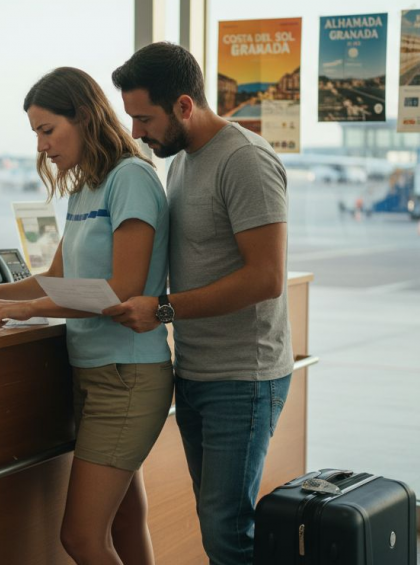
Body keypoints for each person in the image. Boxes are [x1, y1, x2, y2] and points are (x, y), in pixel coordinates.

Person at [0, 67, 172, 565]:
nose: (42, 147)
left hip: (126, 376)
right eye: (36, 135)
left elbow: (121, 291)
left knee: (81, 538)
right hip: (93, 372)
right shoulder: (87, 185)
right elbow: (58, 278)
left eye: (48, 130)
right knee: (125, 519)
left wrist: (26, 309)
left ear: (84, 117)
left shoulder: (130, 178)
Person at [105, 42, 293, 565]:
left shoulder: (245, 162)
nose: (137, 132)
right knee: (219, 523)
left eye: (144, 118)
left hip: (244, 376)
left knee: (227, 531)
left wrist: (161, 309)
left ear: (184, 106)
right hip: (197, 372)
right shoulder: (182, 162)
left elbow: (267, 277)